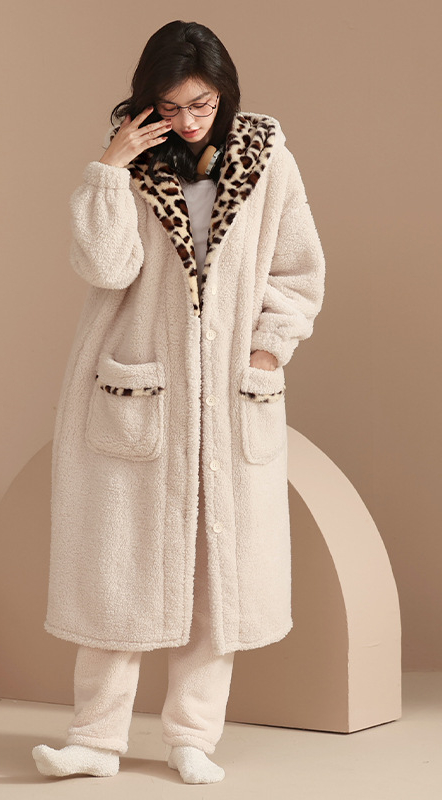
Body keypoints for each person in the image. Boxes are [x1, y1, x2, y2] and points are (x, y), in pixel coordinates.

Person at [32, 20, 325, 784]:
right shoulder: (130, 164)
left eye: (202, 104)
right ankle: (95, 742)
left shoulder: (268, 160)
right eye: (172, 107)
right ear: (148, 102)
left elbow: (296, 272)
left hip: (230, 395)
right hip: (139, 389)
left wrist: (266, 353)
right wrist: (108, 170)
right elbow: (106, 268)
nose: (189, 121)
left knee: (214, 577)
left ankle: (192, 738)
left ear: (225, 93)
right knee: (118, 573)